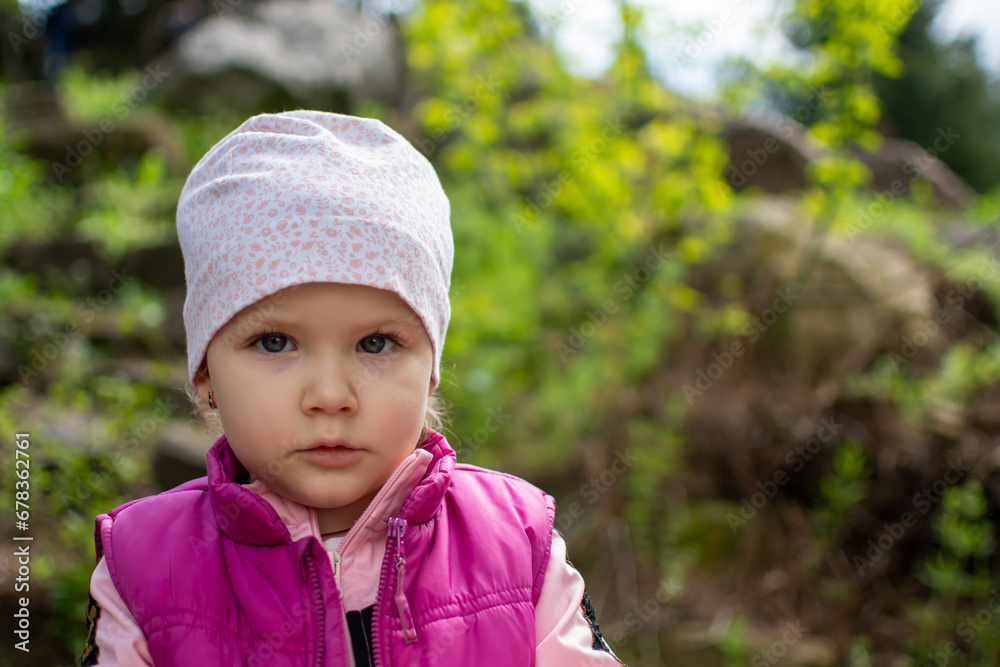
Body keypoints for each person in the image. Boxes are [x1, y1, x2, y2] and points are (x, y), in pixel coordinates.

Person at [82, 110, 625, 666]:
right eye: (274, 342)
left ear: (430, 368)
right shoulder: (143, 569)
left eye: (375, 344)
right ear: (205, 374)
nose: (330, 395)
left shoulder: (517, 545)